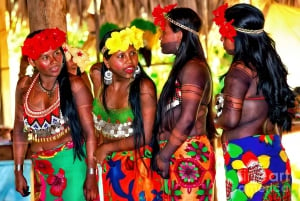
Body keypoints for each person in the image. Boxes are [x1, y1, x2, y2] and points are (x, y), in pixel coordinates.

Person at [213, 3, 294, 200]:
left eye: (225, 33)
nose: (221, 38)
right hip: (274, 155)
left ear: (238, 35)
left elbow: (230, 120)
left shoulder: (240, 71)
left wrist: (210, 119)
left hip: (248, 161)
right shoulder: (270, 66)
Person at [13, 28, 99, 201]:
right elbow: (19, 129)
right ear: (32, 61)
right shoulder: (24, 86)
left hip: (73, 165)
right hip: (41, 168)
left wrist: (91, 173)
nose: (55, 61)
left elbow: (91, 133)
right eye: (45, 57)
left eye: (57, 53)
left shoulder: (75, 85)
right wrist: (18, 170)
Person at [151, 4, 216, 200]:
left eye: (164, 32)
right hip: (177, 152)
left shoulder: (193, 68)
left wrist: (164, 155)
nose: (161, 38)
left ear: (179, 35)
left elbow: (188, 118)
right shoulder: (186, 66)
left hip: (188, 154)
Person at [92, 26, 162, 200]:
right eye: (121, 56)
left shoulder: (143, 88)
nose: (130, 61)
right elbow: (95, 67)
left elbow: (145, 136)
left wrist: (107, 147)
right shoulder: (99, 82)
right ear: (106, 62)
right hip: (108, 168)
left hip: (138, 168)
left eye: (133, 53)